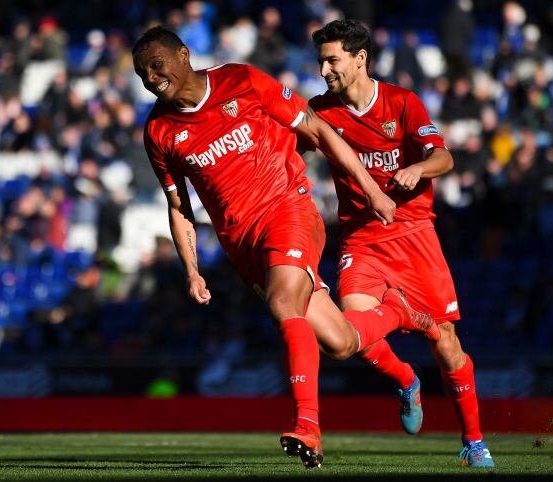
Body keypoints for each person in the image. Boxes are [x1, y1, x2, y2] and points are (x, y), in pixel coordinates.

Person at [133, 26, 439, 469]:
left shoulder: (241, 80)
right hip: (243, 244)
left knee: (283, 304)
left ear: (183, 54)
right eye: (143, 73)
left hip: (288, 211)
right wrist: (192, 269)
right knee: (338, 342)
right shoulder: (159, 130)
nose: (151, 78)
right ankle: (400, 328)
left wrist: (371, 190)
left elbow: (318, 129)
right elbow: (178, 205)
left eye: (156, 65)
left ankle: (308, 427)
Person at [308, 20, 495, 468]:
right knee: (351, 330)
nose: (324, 70)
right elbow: (288, 146)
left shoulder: (402, 102)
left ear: (359, 58)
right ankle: (406, 379)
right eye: (321, 61)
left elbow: (444, 156)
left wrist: (419, 170)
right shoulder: (321, 110)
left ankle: (473, 441)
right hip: (361, 237)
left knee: (447, 343)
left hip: (414, 235)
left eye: (332, 59)